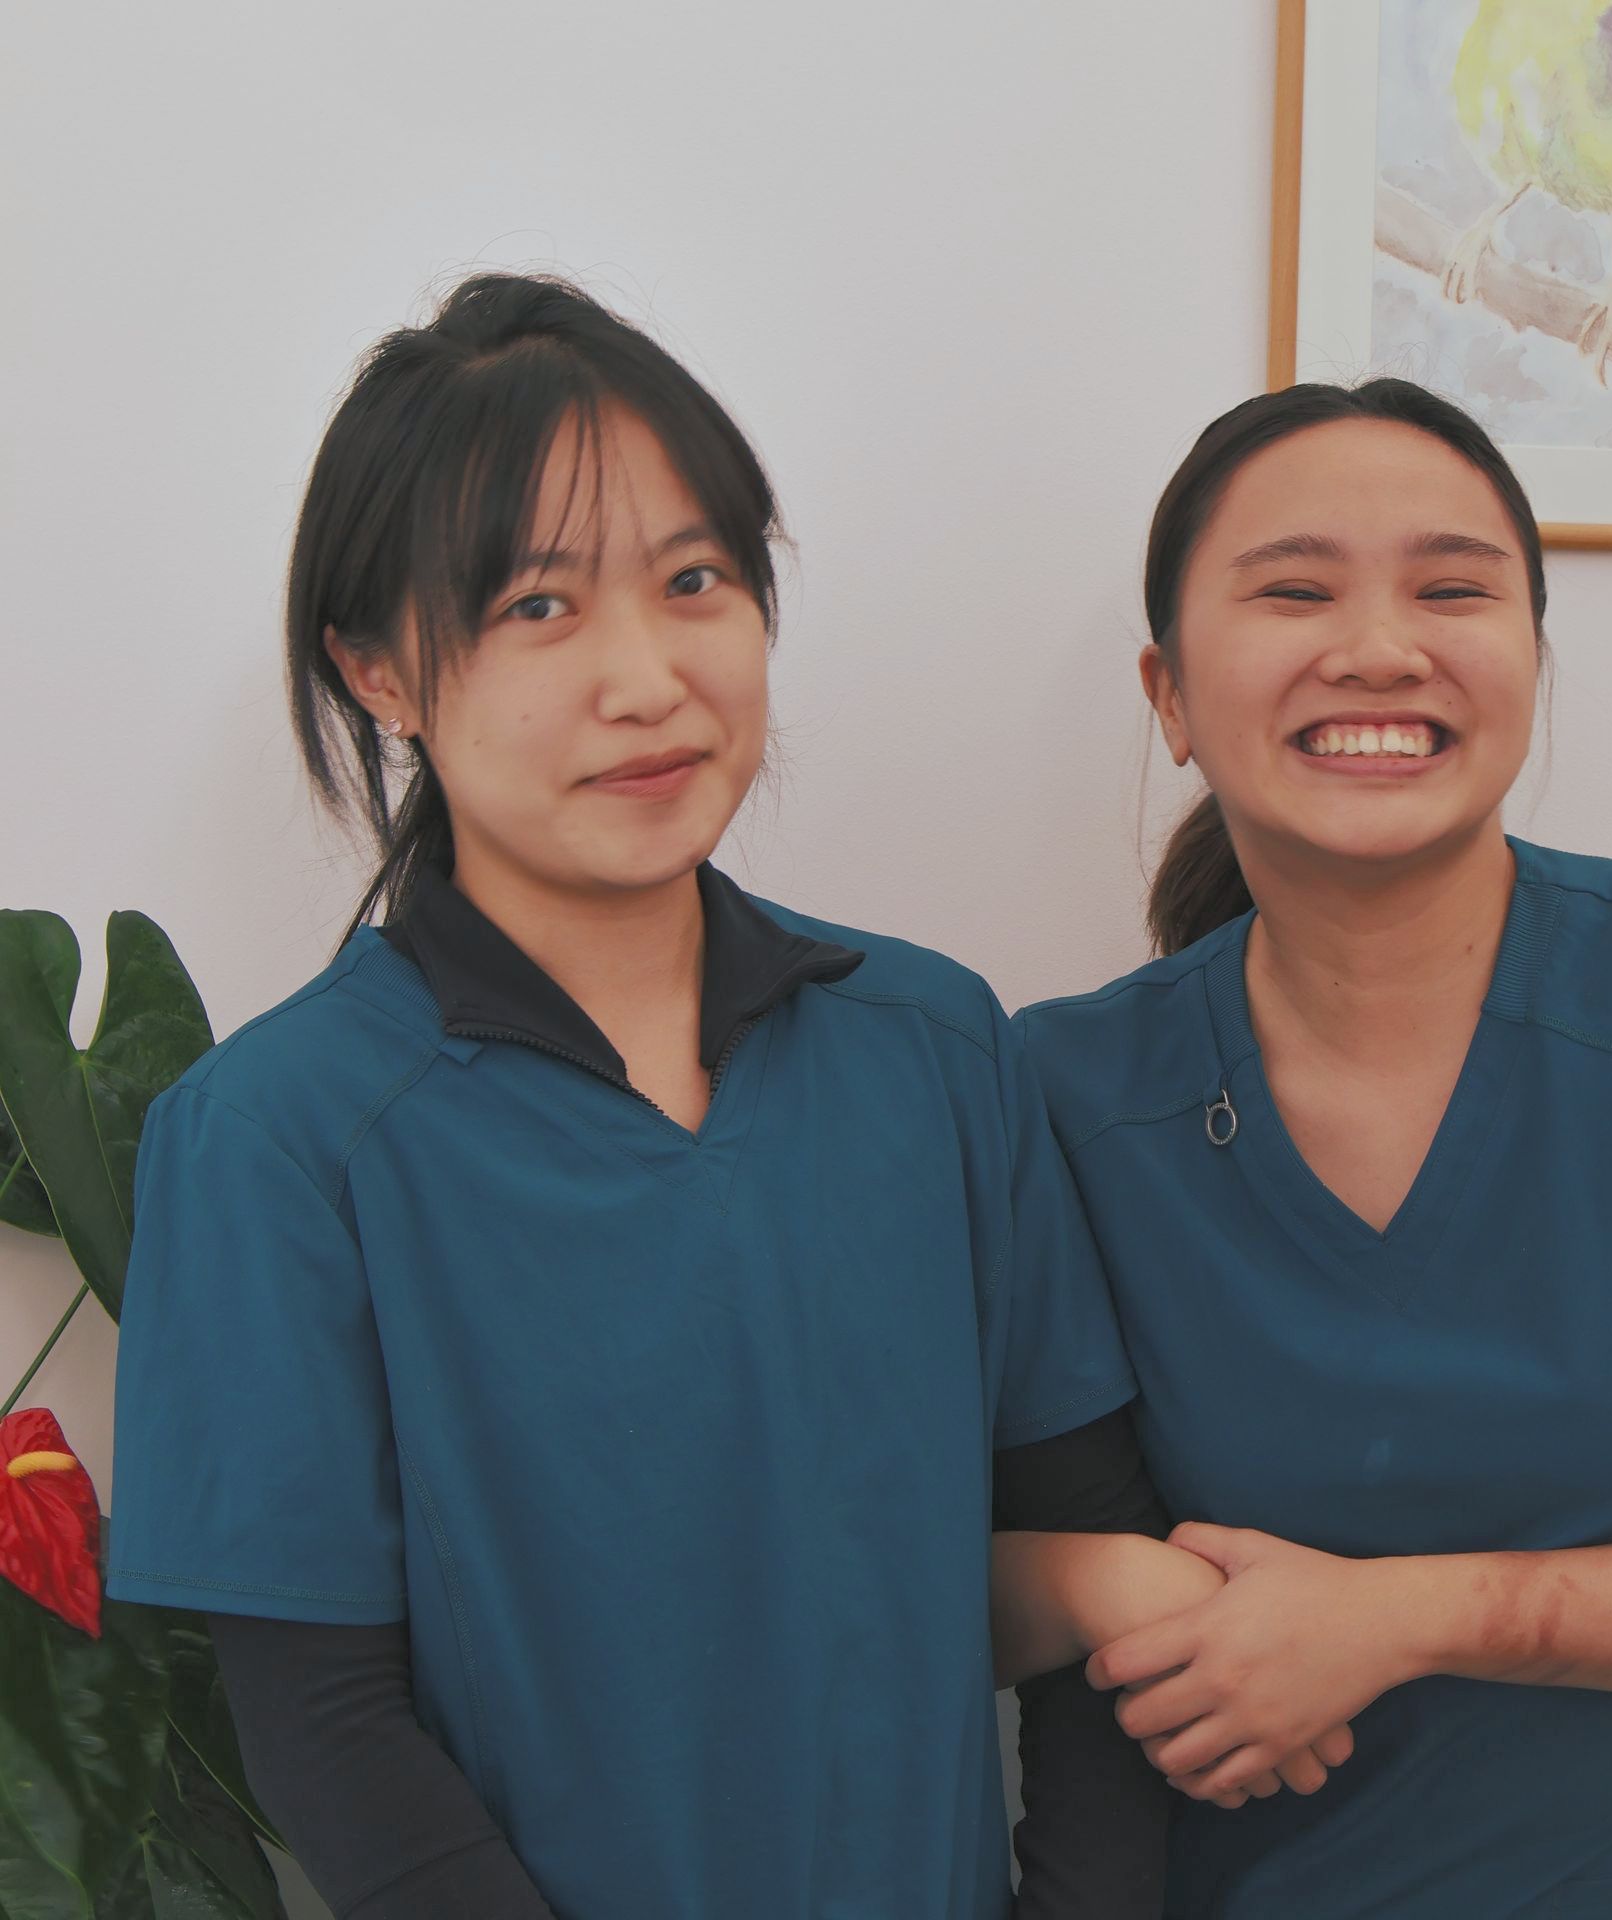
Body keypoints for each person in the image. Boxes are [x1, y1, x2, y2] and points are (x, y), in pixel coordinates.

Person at [104, 272, 1223, 1919]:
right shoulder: (276, 1139)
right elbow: (321, 1723)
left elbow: (1107, 1573)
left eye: (696, 579)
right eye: (538, 606)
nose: (648, 678)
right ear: (377, 669)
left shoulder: (932, 1046)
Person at [1016, 378, 1612, 1916]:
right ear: (1169, 696)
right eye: (1295, 589)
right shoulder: (1057, 1092)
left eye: (1453, 587)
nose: (1380, 647)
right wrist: (1127, 1586)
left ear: (1530, 662)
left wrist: (1416, 1617)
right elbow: (878, 1543)